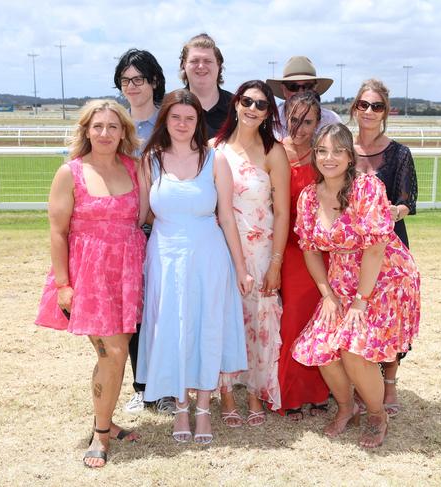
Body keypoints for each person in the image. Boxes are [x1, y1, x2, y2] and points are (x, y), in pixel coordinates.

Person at [291, 123, 420, 448]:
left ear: (350, 156)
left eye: (337, 150)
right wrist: (328, 296)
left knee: (353, 349)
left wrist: (361, 301)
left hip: (382, 276)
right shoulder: (308, 198)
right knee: (323, 348)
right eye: (322, 150)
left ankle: (377, 414)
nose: (329, 157)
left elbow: (376, 248)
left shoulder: (368, 189)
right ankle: (348, 407)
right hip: (339, 278)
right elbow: (309, 250)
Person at [136, 89, 253, 444]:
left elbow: (228, 219)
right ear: (165, 120)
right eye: (176, 117)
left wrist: (242, 268)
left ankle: (203, 409)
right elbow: (141, 215)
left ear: (198, 122)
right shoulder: (150, 160)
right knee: (173, 330)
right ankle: (181, 408)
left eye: (190, 118)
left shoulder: (214, 160)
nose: (183, 124)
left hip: (208, 256)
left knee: (205, 327)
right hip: (165, 256)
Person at [35, 100, 145, 468]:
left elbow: (143, 216)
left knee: (116, 352)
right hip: (89, 274)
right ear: (86, 130)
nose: (105, 133)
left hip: (128, 271)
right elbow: (57, 231)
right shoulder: (70, 172)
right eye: (97, 126)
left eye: (113, 127)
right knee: (111, 354)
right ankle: (100, 434)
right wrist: (64, 284)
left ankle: (107, 421)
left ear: (123, 132)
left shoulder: (134, 167)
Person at [213, 80, 290, 426]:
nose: (253, 109)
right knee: (224, 320)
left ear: (268, 113)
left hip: (261, 253)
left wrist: (276, 263)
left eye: (262, 105)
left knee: (259, 324)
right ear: (236, 104)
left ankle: (256, 392)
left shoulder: (273, 151)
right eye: (247, 101)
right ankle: (226, 392)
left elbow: (284, 212)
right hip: (220, 250)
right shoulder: (213, 148)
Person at [351, 79, 418, 417]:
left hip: (390, 246)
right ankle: (363, 384)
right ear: (354, 108)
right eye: (363, 104)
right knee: (361, 315)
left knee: (390, 315)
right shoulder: (343, 149)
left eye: (376, 106)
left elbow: (408, 201)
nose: (369, 111)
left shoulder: (400, 153)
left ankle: (389, 383)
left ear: (386, 112)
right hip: (351, 249)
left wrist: (391, 212)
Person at [113, 48, 175, 415]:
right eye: (125, 80)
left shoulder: (168, 125)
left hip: (162, 230)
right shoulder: (115, 125)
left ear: (154, 82)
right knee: (133, 313)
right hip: (124, 234)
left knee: (163, 311)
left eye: (139, 79)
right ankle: (141, 385)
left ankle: (166, 386)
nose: (132, 87)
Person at [277, 91, 330, 421]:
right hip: (288, 250)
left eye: (307, 121)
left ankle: (320, 391)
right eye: (293, 120)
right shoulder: (275, 152)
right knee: (293, 319)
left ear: (318, 122)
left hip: (322, 250)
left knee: (320, 319)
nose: (299, 128)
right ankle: (290, 392)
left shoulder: (323, 155)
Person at [266, 56, 341, 139]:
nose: (301, 92)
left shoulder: (331, 120)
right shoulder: (268, 121)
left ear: (315, 88)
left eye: (307, 86)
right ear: (283, 89)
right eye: (293, 86)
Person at [179, 32, 233, 138]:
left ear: (219, 65)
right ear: (184, 65)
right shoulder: (168, 106)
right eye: (194, 61)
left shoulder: (237, 107)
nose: (201, 66)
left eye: (207, 61)